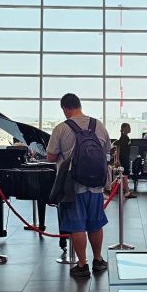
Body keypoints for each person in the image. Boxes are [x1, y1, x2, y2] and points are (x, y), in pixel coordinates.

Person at [46, 92, 110, 279]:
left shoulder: (61, 128)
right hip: (96, 184)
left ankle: (82, 265)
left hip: (72, 186)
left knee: (77, 225)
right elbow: (106, 150)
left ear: (64, 108)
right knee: (96, 223)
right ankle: (98, 260)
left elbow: (50, 157)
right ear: (80, 105)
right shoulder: (98, 125)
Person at [115, 123, 136, 200]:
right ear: (124, 129)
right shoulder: (123, 137)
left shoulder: (126, 137)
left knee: (123, 175)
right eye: (128, 127)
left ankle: (110, 188)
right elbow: (118, 148)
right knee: (125, 175)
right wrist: (117, 159)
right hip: (123, 159)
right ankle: (127, 192)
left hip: (126, 158)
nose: (130, 128)